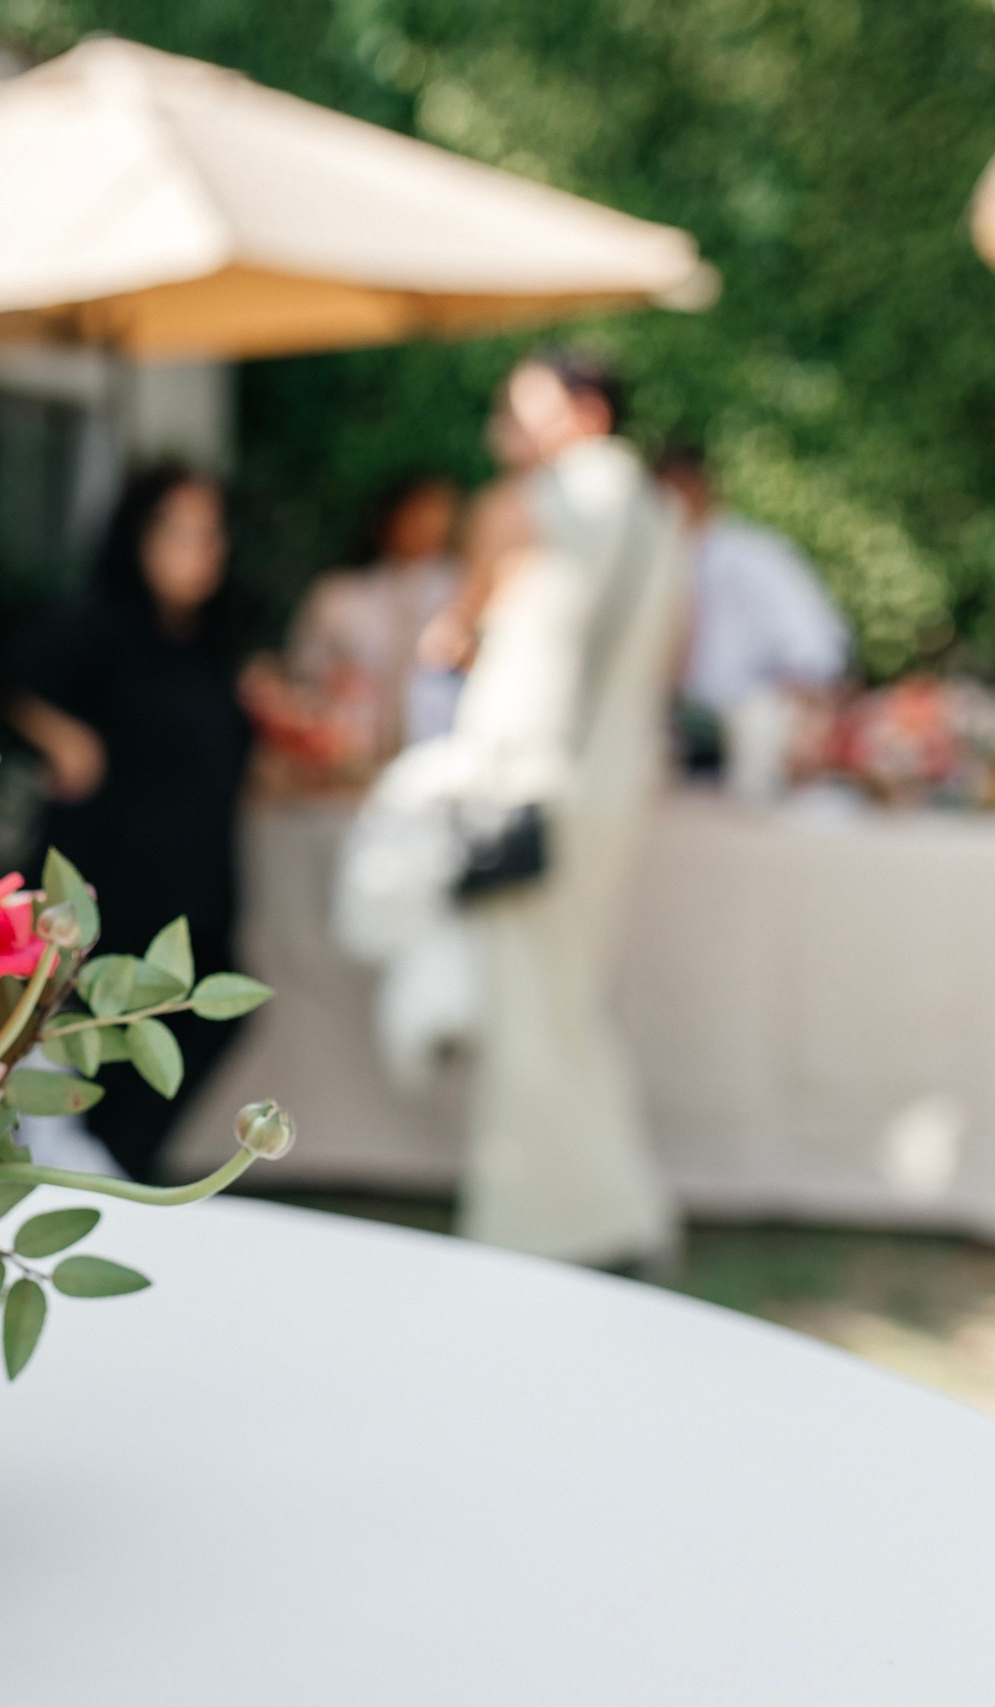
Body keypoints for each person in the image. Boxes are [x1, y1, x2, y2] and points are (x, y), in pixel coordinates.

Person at [418, 351, 686, 1268]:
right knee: (567, 997)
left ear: (580, 410)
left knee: (534, 1003)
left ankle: (554, 1214)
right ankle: (611, 1207)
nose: (506, 414)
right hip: (613, 788)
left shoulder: (520, 505)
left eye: (522, 398)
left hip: (523, 776)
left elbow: (449, 631)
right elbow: (676, 654)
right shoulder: (659, 514)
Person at [8, 464, 255, 1183]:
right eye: (177, 532)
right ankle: (97, 1169)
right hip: (114, 875)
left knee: (211, 1008)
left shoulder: (213, 641)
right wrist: (62, 737)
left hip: (197, 880)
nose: (196, 551)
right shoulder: (103, 626)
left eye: (209, 534)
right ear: (138, 539)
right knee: (105, 1025)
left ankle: (109, 1166)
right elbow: (6, 669)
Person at [248, 473, 464, 790]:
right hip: (346, 766)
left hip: (440, 762)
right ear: (389, 518)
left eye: (439, 513)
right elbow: (303, 679)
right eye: (417, 513)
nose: (429, 525)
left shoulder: (461, 589)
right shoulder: (338, 596)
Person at [654, 442, 851, 722]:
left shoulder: (755, 556)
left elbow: (816, 653)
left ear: (696, 486)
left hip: (747, 728)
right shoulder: (663, 562)